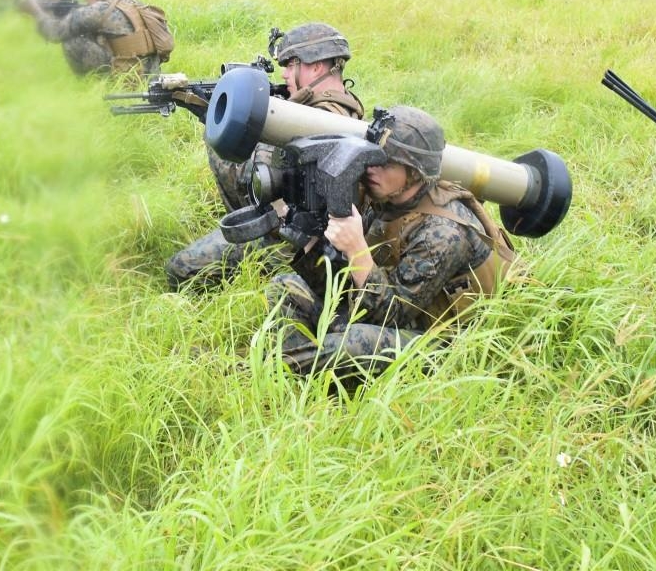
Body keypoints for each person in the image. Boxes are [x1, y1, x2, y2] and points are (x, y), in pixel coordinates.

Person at [267, 105, 513, 389]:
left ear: (414, 172)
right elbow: (343, 287)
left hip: (443, 341)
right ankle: (297, 368)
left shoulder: (443, 233)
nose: (370, 168)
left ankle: (288, 371)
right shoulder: (384, 197)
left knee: (348, 341)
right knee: (286, 287)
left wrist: (357, 248)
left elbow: (393, 316)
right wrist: (311, 242)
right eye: (370, 157)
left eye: (385, 162)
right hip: (391, 309)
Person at [165, 22, 365, 290]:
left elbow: (257, 183)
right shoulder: (336, 109)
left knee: (180, 269)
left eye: (289, 65)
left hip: (294, 242)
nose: (283, 73)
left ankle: (259, 273)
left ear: (316, 66)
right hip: (295, 229)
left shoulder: (319, 123)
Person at [20, 0, 162, 76]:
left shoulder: (97, 11)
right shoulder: (134, 2)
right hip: (151, 73)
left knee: (72, 40)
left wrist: (35, 10)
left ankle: (92, 82)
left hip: (127, 78)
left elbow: (55, 32)